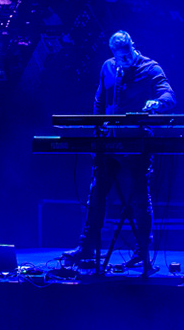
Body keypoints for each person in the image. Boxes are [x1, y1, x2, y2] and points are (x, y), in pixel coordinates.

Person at [69, 31, 177, 271]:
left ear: (133, 47)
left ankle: (142, 251)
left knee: (139, 197)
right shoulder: (108, 67)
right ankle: (86, 247)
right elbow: (99, 102)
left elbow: (169, 95)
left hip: (136, 144)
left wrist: (158, 103)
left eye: (127, 56)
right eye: (119, 58)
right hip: (108, 143)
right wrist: (97, 133)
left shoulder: (150, 68)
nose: (123, 61)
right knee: (96, 194)